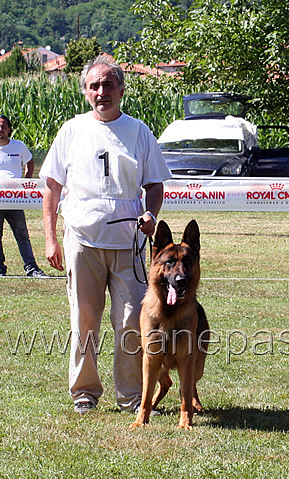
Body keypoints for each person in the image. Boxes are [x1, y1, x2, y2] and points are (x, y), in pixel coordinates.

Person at [40, 55, 172, 414]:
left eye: (108, 84)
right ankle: (84, 392)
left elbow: (155, 184)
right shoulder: (71, 130)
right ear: (85, 92)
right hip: (81, 239)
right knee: (84, 319)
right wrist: (51, 238)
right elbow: (52, 186)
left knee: (130, 320)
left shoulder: (139, 131)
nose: (102, 92)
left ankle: (131, 397)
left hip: (129, 243)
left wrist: (150, 213)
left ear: (121, 90)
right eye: (94, 86)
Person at [0, 115, 47, 278]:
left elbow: (30, 161)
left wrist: (25, 182)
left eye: (3, 126)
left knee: (22, 234)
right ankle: (0, 269)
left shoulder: (18, 146)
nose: (0, 130)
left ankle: (31, 268)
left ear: (9, 129)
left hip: (14, 199)